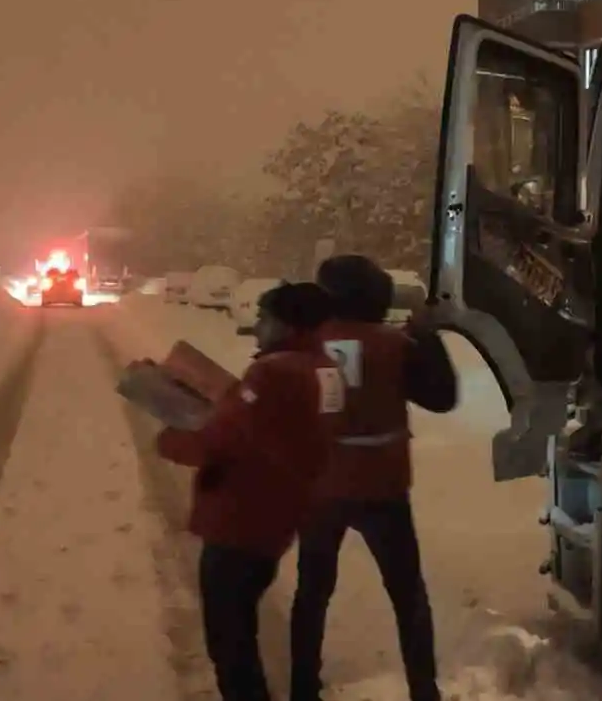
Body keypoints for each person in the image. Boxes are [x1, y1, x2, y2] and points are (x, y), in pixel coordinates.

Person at [156, 282, 346, 701]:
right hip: (278, 519)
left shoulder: (272, 372)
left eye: (264, 317)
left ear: (286, 323)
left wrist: (172, 441)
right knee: (239, 632)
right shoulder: (327, 370)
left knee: (231, 645)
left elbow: (222, 439)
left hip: (241, 522)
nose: (257, 326)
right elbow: (277, 428)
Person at [289, 255, 458, 701]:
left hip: (322, 486)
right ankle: (424, 690)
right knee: (408, 597)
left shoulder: (308, 344)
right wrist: (426, 334)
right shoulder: (396, 345)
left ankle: (302, 687)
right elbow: (443, 398)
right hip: (383, 488)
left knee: (312, 592)